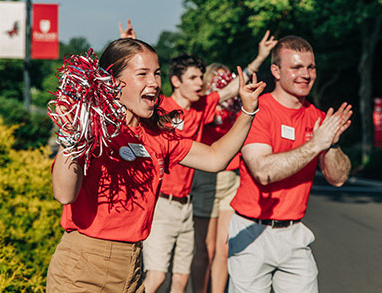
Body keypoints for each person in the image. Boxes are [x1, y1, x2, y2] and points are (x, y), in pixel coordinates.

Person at [46, 37, 265, 292]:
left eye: (157, 73)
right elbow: (63, 194)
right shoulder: (92, 129)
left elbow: (216, 158)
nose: (154, 82)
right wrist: (72, 140)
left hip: (132, 266)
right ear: (113, 82)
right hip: (83, 269)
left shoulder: (158, 136)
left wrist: (248, 112)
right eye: (143, 74)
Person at [142, 31, 276, 293]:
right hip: (161, 204)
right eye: (193, 78)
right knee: (157, 278)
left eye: (200, 78)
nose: (199, 83)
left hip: (186, 205)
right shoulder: (158, 106)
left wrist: (260, 57)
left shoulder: (202, 107)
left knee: (180, 280)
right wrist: (128, 48)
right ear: (176, 81)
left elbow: (230, 88)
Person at [227, 35, 352, 292]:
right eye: (296, 67)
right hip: (252, 231)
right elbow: (263, 171)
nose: (305, 74)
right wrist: (316, 144)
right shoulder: (256, 111)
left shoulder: (317, 118)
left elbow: (338, 178)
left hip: (295, 234)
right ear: (276, 70)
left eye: (310, 67)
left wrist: (333, 144)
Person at [190, 30, 276, 293]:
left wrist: (260, 57)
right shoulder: (202, 106)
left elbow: (242, 81)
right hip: (206, 177)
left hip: (231, 177)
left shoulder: (235, 107)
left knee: (224, 246)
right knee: (206, 247)